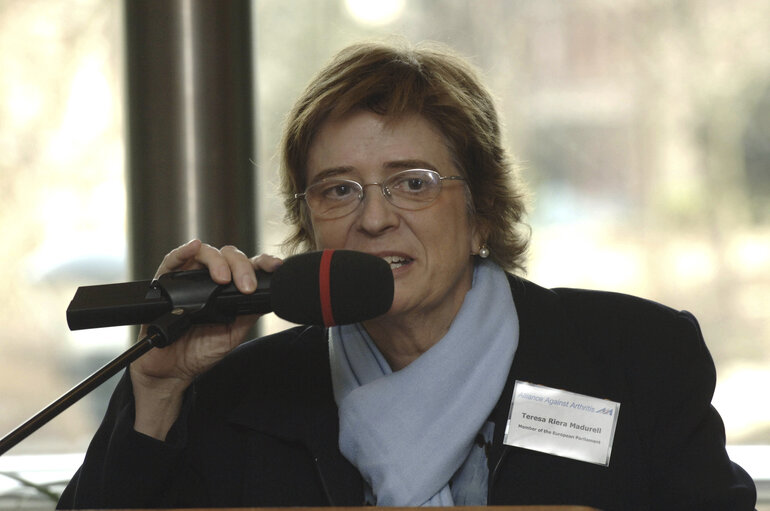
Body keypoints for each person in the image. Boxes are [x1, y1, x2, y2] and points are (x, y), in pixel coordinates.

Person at [58, 40, 756, 510]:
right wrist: (156, 388)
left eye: (412, 183)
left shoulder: (633, 360)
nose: (373, 218)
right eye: (338, 189)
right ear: (311, 222)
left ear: (482, 210)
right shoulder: (238, 394)